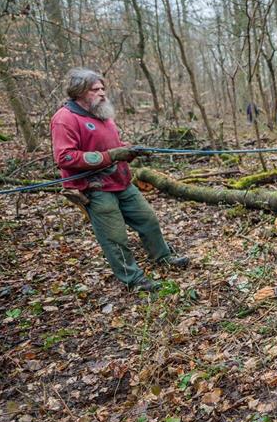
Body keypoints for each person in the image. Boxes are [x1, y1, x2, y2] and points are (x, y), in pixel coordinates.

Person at [50, 68, 189, 292]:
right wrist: (111, 156)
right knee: (114, 236)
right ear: (79, 92)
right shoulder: (64, 119)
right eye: (95, 89)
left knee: (148, 219)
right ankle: (133, 279)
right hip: (93, 187)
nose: (102, 93)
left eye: (103, 88)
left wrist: (129, 150)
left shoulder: (101, 113)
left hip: (121, 181)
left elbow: (111, 145)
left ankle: (163, 257)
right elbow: (65, 157)